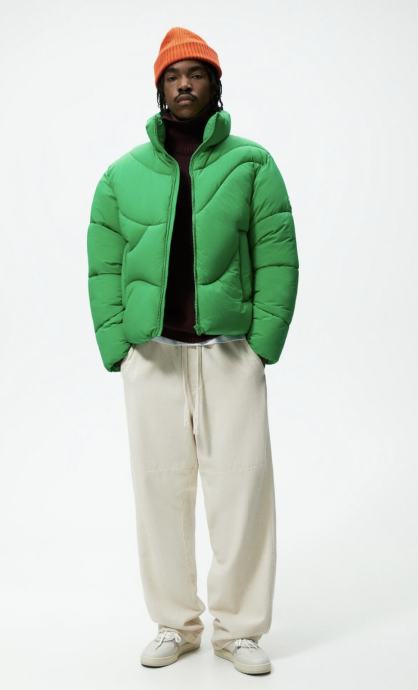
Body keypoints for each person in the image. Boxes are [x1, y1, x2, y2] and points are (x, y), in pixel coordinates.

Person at [86, 26, 299, 676]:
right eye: (173, 76)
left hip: (230, 352)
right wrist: (118, 346)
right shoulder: (122, 175)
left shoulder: (252, 164)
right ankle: (174, 624)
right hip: (153, 356)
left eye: (196, 73)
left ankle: (239, 630)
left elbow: (278, 255)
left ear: (215, 85)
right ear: (160, 89)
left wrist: (262, 345)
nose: (184, 84)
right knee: (160, 491)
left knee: (243, 490)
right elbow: (103, 261)